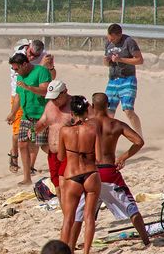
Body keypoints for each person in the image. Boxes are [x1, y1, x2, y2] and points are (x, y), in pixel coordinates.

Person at [70, 92, 148, 247]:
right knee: (130, 207)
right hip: (108, 171)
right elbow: (139, 141)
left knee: (79, 213)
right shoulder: (116, 124)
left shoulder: (84, 125)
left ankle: (70, 247)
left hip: (89, 173)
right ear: (108, 106)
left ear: (92, 106)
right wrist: (123, 157)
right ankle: (146, 241)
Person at [58, 96, 101, 254]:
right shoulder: (92, 129)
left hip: (72, 174)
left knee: (68, 219)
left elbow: (61, 157)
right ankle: (86, 252)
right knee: (88, 216)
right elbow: (99, 156)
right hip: (91, 173)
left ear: (72, 112)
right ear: (86, 111)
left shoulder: (65, 131)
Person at [9, 52, 51, 185]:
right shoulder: (20, 77)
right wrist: (12, 113)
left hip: (42, 116)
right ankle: (27, 178)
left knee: (44, 146)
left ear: (25, 64)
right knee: (22, 144)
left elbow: (45, 90)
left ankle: (66, 162)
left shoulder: (41, 71)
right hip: (26, 116)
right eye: (13, 69)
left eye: (17, 69)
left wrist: (29, 87)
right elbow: (18, 96)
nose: (15, 72)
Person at [103, 24, 143, 136]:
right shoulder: (108, 43)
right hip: (112, 80)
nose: (111, 41)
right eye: (109, 38)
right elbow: (106, 64)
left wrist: (120, 59)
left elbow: (139, 60)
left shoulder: (129, 42)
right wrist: (106, 60)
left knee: (128, 110)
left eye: (113, 38)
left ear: (119, 35)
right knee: (108, 112)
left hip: (128, 79)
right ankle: (107, 138)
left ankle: (139, 135)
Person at [35, 80, 72, 191]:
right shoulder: (50, 105)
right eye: (52, 98)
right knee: (57, 186)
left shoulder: (75, 103)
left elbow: (93, 120)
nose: (54, 101)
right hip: (53, 154)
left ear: (65, 92)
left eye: (56, 98)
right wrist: (34, 130)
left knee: (66, 183)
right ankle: (64, 208)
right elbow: (42, 122)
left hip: (70, 153)